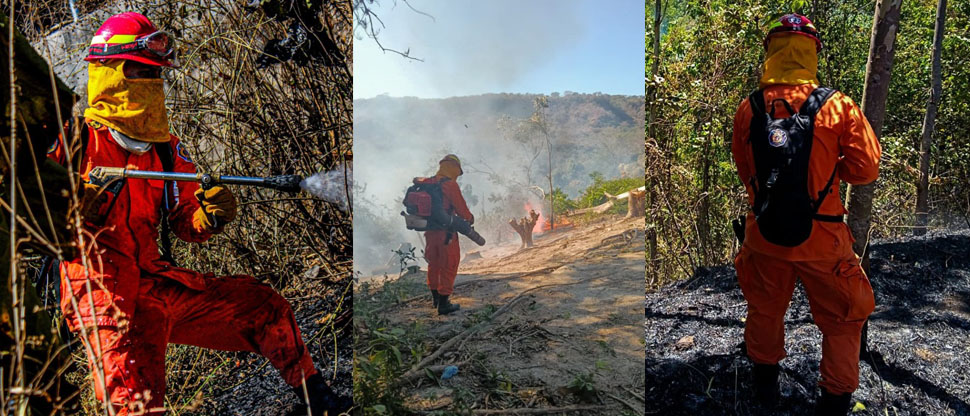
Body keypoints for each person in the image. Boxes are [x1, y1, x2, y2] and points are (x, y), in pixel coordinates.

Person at [47, 12, 348, 415]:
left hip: (157, 283)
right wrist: (76, 201)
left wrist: (209, 217)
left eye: (156, 75)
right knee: (135, 402)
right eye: (140, 72)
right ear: (110, 72)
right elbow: (27, 204)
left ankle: (319, 401)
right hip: (102, 296)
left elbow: (185, 222)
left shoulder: (165, 149)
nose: (151, 84)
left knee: (264, 307)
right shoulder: (72, 142)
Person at [730, 14, 881, 415]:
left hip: (763, 236)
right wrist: (830, 172)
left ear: (771, 52)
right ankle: (834, 403)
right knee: (843, 320)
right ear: (812, 52)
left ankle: (765, 394)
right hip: (822, 239)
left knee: (765, 309)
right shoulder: (836, 106)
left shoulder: (748, 109)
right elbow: (866, 170)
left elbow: (746, 170)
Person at [419, 154, 474, 315]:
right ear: (453, 168)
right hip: (446, 235)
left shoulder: (429, 182)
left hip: (430, 233)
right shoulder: (449, 185)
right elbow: (462, 210)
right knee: (449, 264)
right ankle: (444, 304)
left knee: (434, 264)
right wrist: (470, 219)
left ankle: (435, 300)